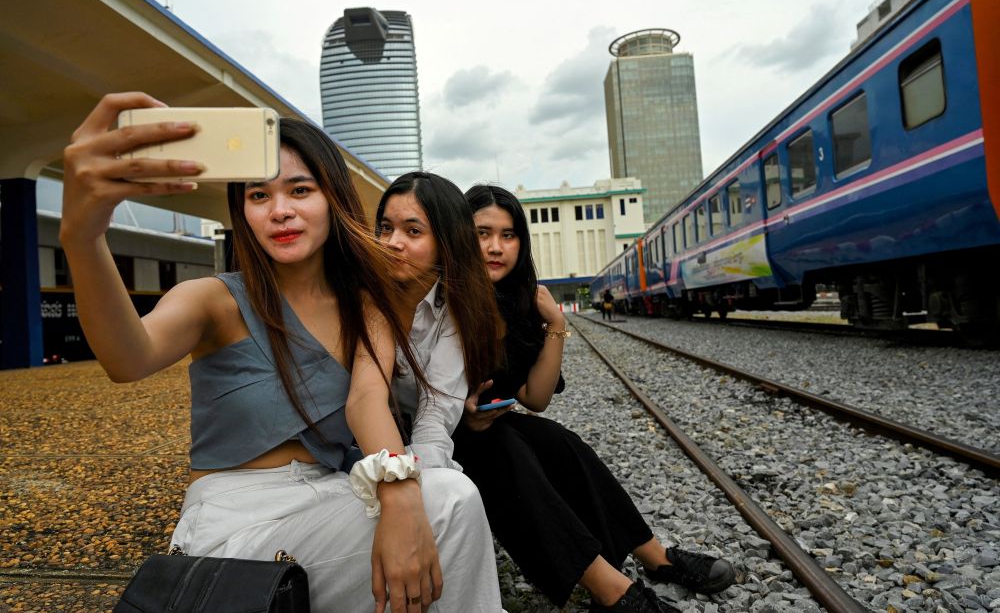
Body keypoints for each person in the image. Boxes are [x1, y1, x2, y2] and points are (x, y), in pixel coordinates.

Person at [59, 93, 503, 612]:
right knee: (449, 500)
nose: (281, 211)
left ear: (332, 198)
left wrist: (399, 492)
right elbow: (127, 357)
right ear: (241, 210)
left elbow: (367, 402)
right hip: (235, 521)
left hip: (334, 499)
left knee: (447, 498)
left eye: (300, 189)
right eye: (258, 195)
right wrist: (83, 237)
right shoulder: (215, 300)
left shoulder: (367, 307)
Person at [453, 184, 736, 613]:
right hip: (435, 436)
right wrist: (460, 413)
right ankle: (613, 593)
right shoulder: (443, 298)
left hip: (486, 425)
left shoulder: (517, 300)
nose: (496, 247)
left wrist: (554, 326)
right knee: (506, 449)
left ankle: (653, 557)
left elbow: (536, 398)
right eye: (482, 233)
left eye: (508, 235)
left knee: (560, 441)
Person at [373, 171, 505, 471]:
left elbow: (436, 407)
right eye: (385, 228)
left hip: (421, 440)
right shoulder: (364, 298)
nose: (393, 242)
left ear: (447, 240)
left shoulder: (456, 310)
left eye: (413, 231)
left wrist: (422, 474)